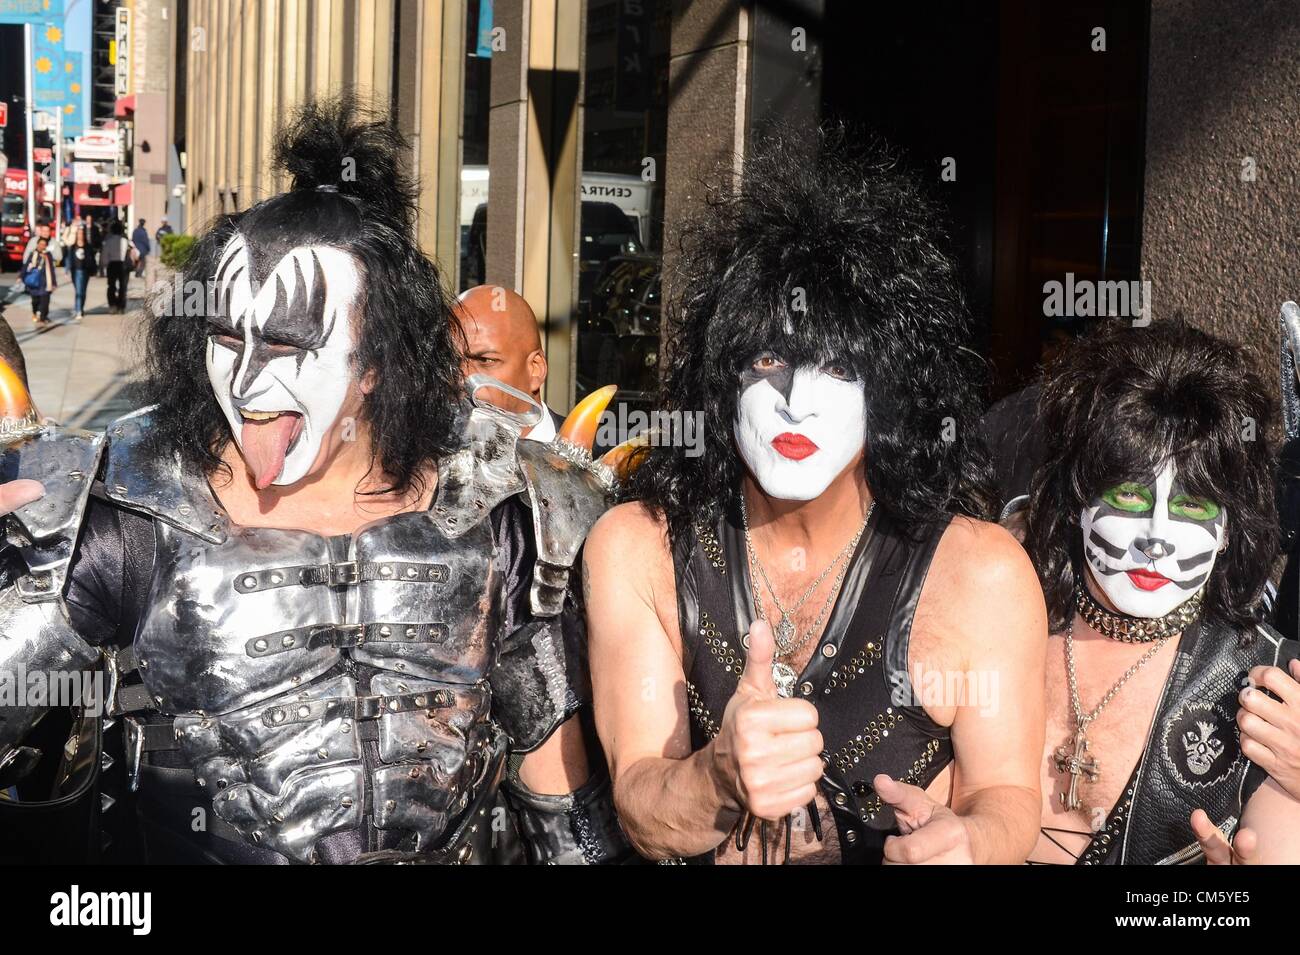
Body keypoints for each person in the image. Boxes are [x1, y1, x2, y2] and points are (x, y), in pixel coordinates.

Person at [0, 98, 629, 865]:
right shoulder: (124, 511)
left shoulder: (497, 505)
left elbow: (558, 788)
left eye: (292, 343)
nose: (248, 378)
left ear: (377, 361)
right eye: (227, 335)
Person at [583, 131, 1047, 864]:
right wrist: (719, 775)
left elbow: (1009, 796)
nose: (795, 400)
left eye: (835, 365)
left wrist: (970, 840)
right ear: (722, 376)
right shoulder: (638, 547)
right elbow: (641, 799)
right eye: (768, 359)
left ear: (892, 387)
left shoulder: (980, 573)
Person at [1020, 320, 1300, 864]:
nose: (1155, 540)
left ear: (1226, 532)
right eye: (1127, 495)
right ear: (1077, 501)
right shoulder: (997, 620)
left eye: (1192, 505)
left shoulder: (1272, 693)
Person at [455, 285, 562, 442]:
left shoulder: (601, 458)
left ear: (535, 369)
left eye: (485, 361)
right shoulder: (424, 458)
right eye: (450, 361)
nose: (461, 379)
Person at [20, 236, 57, 329]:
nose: (42, 246)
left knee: (45, 302)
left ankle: (43, 317)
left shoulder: (48, 255)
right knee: (35, 301)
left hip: (45, 282)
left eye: (44, 245)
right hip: (34, 283)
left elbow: (51, 269)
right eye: (40, 244)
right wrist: (21, 276)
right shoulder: (33, 254)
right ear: (37, 244)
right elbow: (25, 266)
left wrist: (54, 282)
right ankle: (35, 312)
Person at [66, 221, 96, 322]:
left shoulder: (88, 246)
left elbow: (92, 259)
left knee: (82, 291)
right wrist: (67, 270)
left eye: (81, 233)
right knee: (78, 291)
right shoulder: (73, 247)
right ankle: (78, 309)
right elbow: (69, 258)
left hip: (85, 271)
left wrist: (93, 269)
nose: (80, 235)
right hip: (76, 271)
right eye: (78, 233)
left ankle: (79, 308)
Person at [102, 220, 131, 313]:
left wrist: (105, 264)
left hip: (112, 264)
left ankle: (112, 305)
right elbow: (136, 252)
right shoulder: (126, 241)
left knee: (111, 286)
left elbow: (104, 255)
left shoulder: (108, 241)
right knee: (123, 287)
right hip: (123, 265)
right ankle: (121, 306)